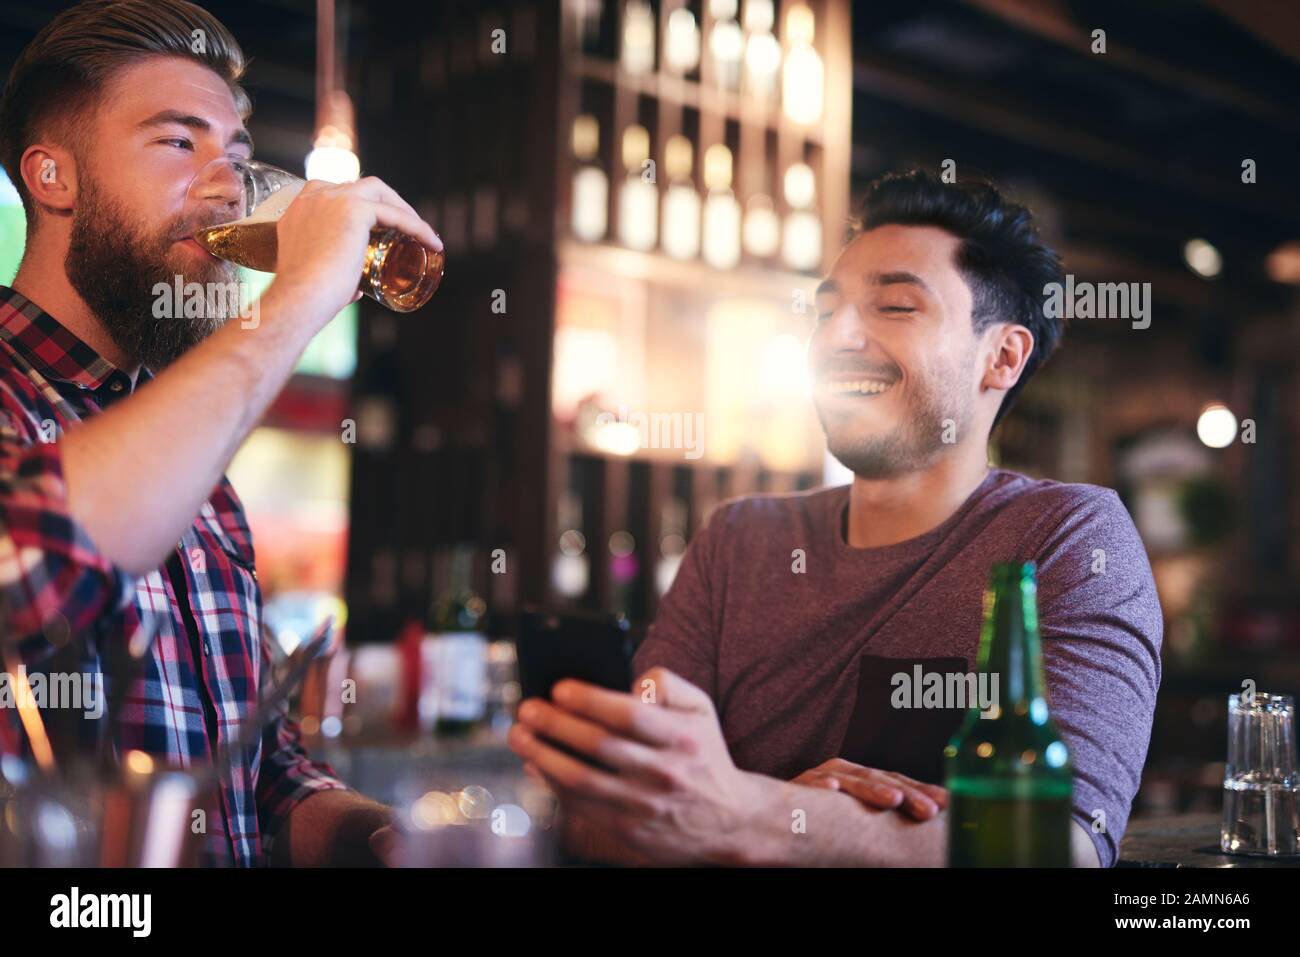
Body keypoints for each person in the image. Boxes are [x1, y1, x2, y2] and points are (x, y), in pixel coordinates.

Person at [509, 170, 1163, 867]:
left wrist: (755, 814)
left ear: (1001, 355)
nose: (837, 336)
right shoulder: (740, 540)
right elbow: (608, 809)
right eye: (826, 311)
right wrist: (775, 812)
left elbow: (1063, 846)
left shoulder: (1067, 537)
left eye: (895, 307)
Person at [0, 0, 440, 865]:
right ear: (53, 177)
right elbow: (31, 561)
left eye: (236, 155)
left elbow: (262, 768)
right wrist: (297, 299)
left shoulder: (197, 462)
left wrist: (383, 838)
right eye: (179, 142)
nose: (226, 183)